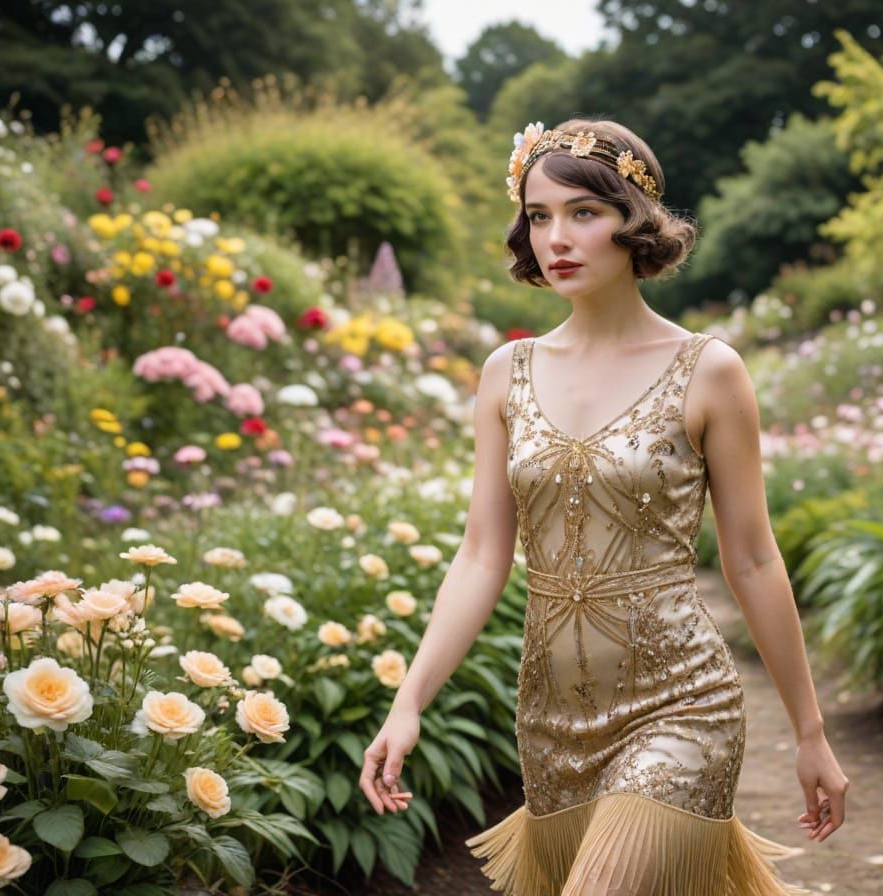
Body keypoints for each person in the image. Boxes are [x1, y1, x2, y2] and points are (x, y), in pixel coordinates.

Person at [359, 118, 849, 895]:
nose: (557, 237)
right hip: (550, 726)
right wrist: (408, 702)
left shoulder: (708, 371)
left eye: (584, 213)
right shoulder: (506, 372)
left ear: (635, 223)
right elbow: (483, 555)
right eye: (540, 215)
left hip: (681, 707)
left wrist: (811, 734)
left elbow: (751, 558)